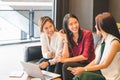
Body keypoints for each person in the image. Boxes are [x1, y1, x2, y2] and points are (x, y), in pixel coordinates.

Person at [70, 12, 120, 80]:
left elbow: (105, 64)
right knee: (79, 75)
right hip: (100, 72)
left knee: (82, 75)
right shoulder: (102, 40)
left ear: (103, 26)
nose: (95, 26)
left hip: (109, 76)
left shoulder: (115, 43)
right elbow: (96, 60)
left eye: (97, 24)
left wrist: (84, 69)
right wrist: (82, 69)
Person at [56, 13, 95, 80]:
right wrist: (66, 40)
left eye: (76, 22)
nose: (74, 26)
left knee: (66, 65)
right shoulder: (69, 37)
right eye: (71, 24)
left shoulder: (87, 34)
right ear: (67, 27)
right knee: (59, 63)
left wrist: (65, 60)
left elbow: (85, 56)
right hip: (77, 63)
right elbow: (65, 57)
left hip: (88, 64)